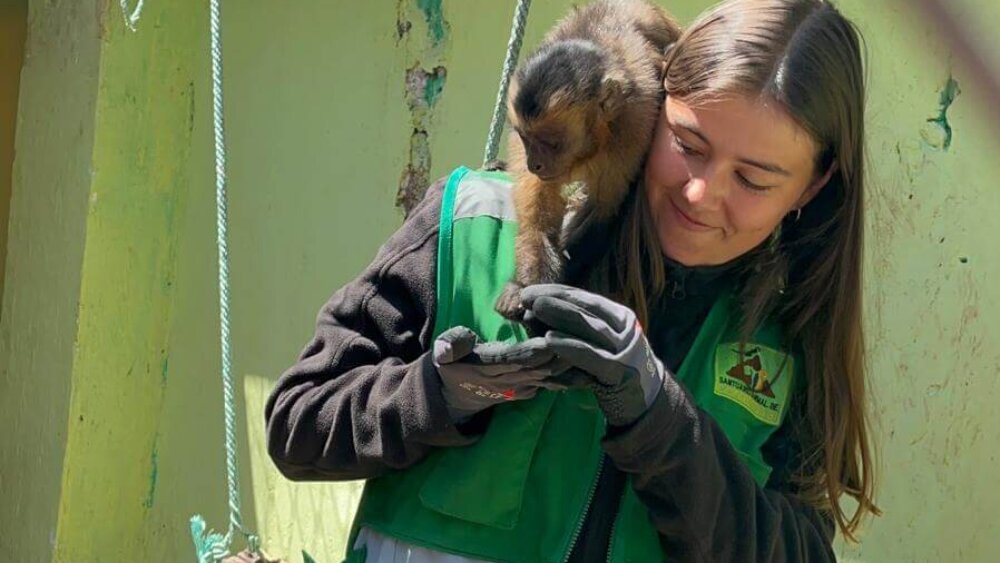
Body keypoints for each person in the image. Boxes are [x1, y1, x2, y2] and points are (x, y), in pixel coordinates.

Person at [264, 0, 879, 560]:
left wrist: (666, 429)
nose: (701, 192)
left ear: (813, 186)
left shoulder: (789, 334)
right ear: (651, 106)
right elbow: (296, 426)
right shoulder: (477, 227)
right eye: (688, 143)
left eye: (753, 180)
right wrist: (438, 396)